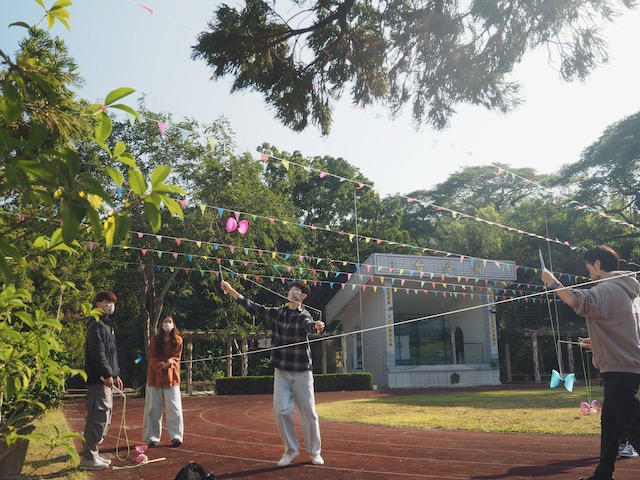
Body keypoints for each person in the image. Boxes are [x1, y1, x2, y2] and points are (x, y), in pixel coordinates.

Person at [541, 245, 640, 480]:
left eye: (589, 267)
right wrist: (597, 343)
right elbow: (623, 331)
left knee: (632, 421)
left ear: (597, 263)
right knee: (611, 424)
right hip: (626, 364)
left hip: (618, 367)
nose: (589, 274)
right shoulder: (626, 291)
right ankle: (603, 472)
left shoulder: (609, 289)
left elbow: (578, 301)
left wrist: (553, 282)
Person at [220, 279, 325, 467]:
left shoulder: (304, 316)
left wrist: (316, 327)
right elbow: (254, 307)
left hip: (302, 372)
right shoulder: (278, 314)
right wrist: (230, 290)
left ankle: (314, 452)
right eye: (291, 289)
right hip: (282, 372)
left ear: (303, 297)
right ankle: (291, 450)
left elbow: (310, 325)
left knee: (309, 413)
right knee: (280, 410)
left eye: (296, 290)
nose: (292, 292)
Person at [79, 291, 122, 471]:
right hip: (98, 380)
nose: (110, 306)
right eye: (107, 302)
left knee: (104, 417)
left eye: (113, 303)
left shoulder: (106, 325)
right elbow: (97, 353)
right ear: (98, 304)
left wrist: (115, 373)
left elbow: (110, 353)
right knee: (98, 416)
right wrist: (106, 374)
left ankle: (94, 453)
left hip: (105, 378)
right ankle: (89, 456)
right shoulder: (96, 325)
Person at [142, 315, 184, 447]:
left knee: (174, 407)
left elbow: (177, 357)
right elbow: (152, 358)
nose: (167, 324)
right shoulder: (154, 340)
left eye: (170, 321)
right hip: (155, 377)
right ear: (161, 324)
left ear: (174, 324)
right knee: (153, 408)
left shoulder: (178, 340)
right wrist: (161, 366)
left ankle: (176, 436)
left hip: (172, 378)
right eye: (165, 321)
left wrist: (171, 361)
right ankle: (152, 437)